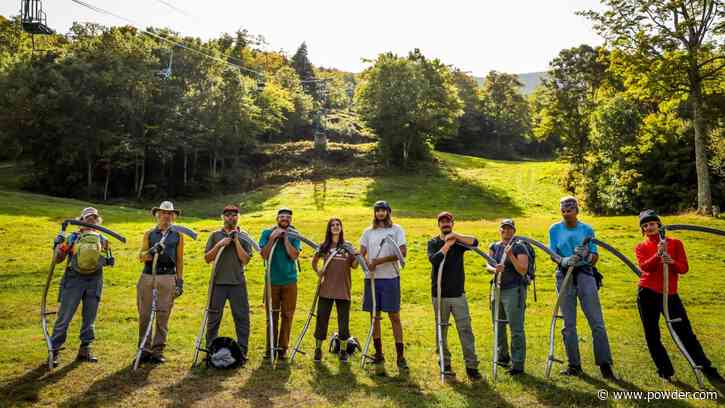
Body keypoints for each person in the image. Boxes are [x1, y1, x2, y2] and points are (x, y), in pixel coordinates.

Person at [635, 209, 724, 383]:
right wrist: (658, 254)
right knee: (652, 334)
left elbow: (684, 268)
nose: (649, 227)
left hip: (670, 295)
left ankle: (706, 368)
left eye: (651, 224)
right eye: (645, 226)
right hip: (647, 294)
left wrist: (672, 262)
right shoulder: (641, 246)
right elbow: (645, 267)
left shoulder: (675, 243)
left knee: (685, 332)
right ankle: (665, 371)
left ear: (659, 225)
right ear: (643, 230)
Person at [548, 196, 615, 379]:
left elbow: (594, 256)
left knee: (596, 321)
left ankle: (605, 364)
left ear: (577, 210)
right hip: (564, 276)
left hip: (585, 274)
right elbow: (552, 253)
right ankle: (574, 365)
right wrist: (563, 260)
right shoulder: (554, 229)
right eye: (563, 209)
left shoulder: (587, 229)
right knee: (569, 324)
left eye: (570, 209)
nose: (566, 212)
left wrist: (586, 255)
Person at [49, 207, 114, 366]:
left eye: (94, 218)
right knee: (65, 316)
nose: (91, 221)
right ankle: (54, 351)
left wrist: (108, 261)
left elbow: (107, 259)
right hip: (74, 279)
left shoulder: (103, 239)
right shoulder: (72, 238)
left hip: (95, 279)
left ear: (98, 221)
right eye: (88, 218)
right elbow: (58, 259)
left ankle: (85, 349)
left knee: (90, 316)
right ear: (81, 220)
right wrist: (57, 246)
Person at [426, 211, 482, 380]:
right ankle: (445, 362)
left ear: (452, 223)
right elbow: (435, 260)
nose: (445, 224)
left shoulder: (459, 242)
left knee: (465, 330)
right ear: (438, 225)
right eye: (442, 222)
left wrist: (455, 237)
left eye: (448, 222)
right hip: (439, 295)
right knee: (441, 330)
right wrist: (447, 245)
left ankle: (471, 366)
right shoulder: (433, 242)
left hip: (458, 295)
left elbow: (475, 242)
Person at [359, 200, 408, 370]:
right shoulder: (368, 232)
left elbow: (402, 252)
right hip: (371, 279)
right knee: (374, 317)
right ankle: (378, 354)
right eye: (377, 210)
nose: (380, 213)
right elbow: (361, 253)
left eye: (383, 210)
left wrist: (380, 261)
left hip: (390, 278)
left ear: (388, 212)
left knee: (394, 316)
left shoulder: (396, 230)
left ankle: (400, 356)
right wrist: (367, 264)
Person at [137, 201, 185, 364]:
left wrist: (179, 281)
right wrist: (152, 251)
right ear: (157, 215)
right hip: (149, 276)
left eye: (169, 213)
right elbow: (141, 256)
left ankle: (157, 351)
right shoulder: (149, 234)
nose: (166, 216)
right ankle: (144, 349)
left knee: (163, 315)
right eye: (163, 213)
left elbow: (179, 260)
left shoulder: (178, 235)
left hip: (167, 277)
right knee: (145, 314)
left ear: (173, 216)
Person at [203, 205, 253, 363]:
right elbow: (207, 259)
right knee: (213, 318)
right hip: (217, 283)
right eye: (228, 215)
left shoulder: (244, 236)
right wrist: (219, 245)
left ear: (238, 217)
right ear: (223, 217)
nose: (231, 218)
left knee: (242, 317)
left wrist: (236, 240)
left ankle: (242, 351)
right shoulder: (214, 235)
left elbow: (245, 260)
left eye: (234, 215)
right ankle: (210, 350)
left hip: (237, 283)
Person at [311, 218, 358, 363]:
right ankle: (318, 349)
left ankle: (343, 351)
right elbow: (314, 261)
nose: (335, 227)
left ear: (341, 228)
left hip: (343, 290)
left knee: (343, 323)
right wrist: (318, 272)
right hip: (326, 290)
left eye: (338, 225)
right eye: (333, 225)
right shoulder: (324, 246)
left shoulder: (348, 246)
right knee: (321, 320)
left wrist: (358, 255)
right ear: (329, 229)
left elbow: (355, 266)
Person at [259, 208, 302, 361]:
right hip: (272, 280)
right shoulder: (266, 233)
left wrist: (285, 239)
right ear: (277, 218)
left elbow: (294, 255)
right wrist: (272, 238)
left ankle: (282, 349)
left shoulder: (294, 234)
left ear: (291, 220)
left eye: (288, 217)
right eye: (282, 216)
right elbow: (264, 254)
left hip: (290, 281)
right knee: (271, 315)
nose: (285, 219)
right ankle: (270, 348)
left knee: (287, 315)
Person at [487, 219, 529, 375]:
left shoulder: (519, 247)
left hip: (514, 290)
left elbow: (523, 270)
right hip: (497, 289)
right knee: (498, 325)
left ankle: (518, 364)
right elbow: (488, 265)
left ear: (514, 230)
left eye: (510, 228)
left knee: (516, 327)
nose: (506, 231)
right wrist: (494, 269)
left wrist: (510, 255)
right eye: (504, 228)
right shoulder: (494, 246)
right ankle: (502, 357)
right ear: (500, 230)